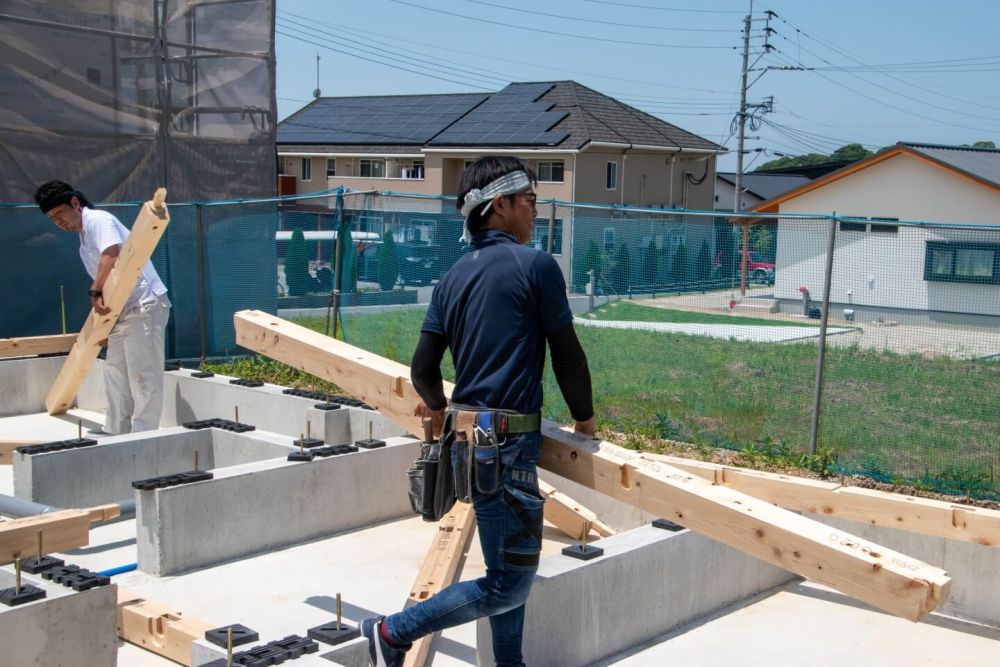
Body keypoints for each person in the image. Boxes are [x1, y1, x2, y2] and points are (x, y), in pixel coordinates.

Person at [361, 156, 595, 667]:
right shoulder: (535, 266)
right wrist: (585, 420)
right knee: (509, 582)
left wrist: (446, 411)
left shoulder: (452, 278)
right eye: (528, 201)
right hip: (508, 445)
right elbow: (568, 354)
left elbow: (423, 367)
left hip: (471, 445)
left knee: (503, 566)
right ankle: (392, 632)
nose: (535, 211)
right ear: (498, 206)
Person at [34, 181, 171, 434]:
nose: (58, 221)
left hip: (144, 306)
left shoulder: (97, 220)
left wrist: (94, 291)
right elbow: (111, 284)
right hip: (123, 311)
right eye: (52, 218)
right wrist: (107, 324)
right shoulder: (83, 240)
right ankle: (116, 431)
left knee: (143, 376)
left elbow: (112, 253)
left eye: (60, 213)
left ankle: (145, 436)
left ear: (75, 203)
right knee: (115, 373)